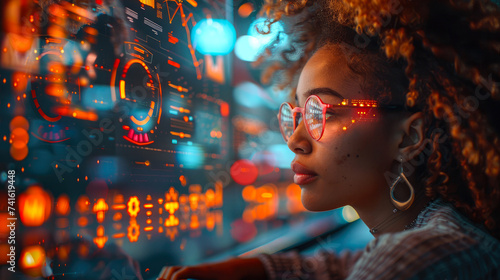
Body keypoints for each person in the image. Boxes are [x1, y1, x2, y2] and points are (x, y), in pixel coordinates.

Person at [157, 0, 500, 279]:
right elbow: (337, 265)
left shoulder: (413, 258)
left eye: (323, 112)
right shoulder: (431, 231)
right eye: (299, 114)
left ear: (408, 136)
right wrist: (245, 268)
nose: (295, 140)